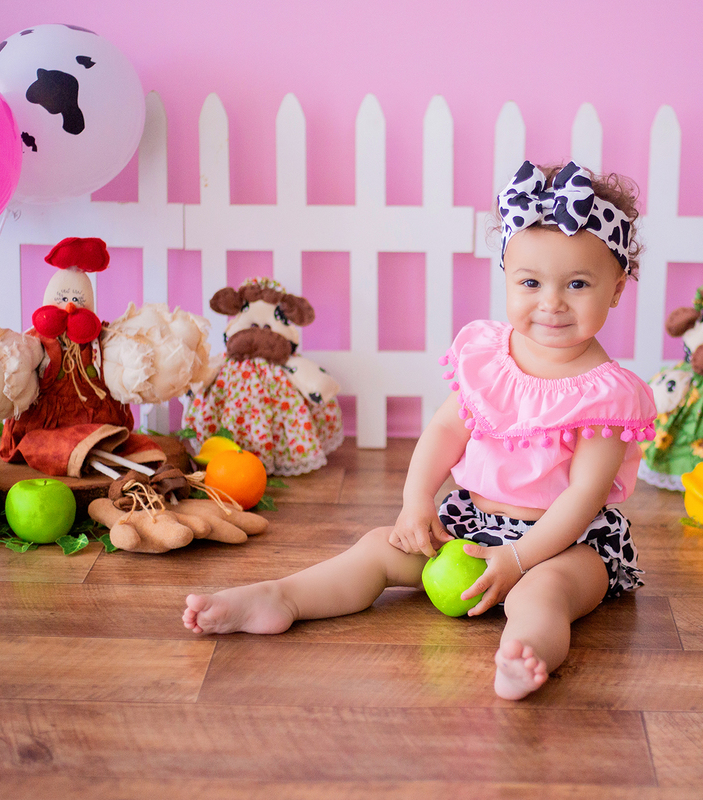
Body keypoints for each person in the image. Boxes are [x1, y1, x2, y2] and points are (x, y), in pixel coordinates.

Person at [183, 161, 657, 700]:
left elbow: (583, 496)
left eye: (577, 284)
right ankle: (281, 597)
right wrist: (417, 501)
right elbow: (444, 431)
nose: (551, 302)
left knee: (543, 594)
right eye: (530, 282)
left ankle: (524, 654)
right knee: (376, 548)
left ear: (616, 289)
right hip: (473, 525)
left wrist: (520, 558)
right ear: (506, 274)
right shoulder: (488, 357)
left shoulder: (604, 394)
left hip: (564, 544)